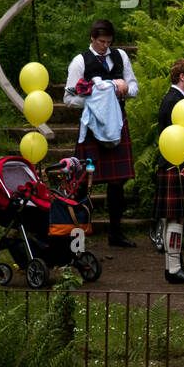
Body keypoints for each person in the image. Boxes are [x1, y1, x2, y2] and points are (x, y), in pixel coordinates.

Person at [65, 19, 139, 247]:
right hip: (92, 128)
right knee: (81, 182)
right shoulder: (80, 61)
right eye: (101, 42)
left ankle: (115, 233)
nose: (105, 46)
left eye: (108, 42)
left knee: (118, 183)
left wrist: (122, 89)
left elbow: (134, 87)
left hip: (117, 124)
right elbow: (68, 98)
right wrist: (97, 98)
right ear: (92, 39)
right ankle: (76, 235)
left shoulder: (120, 57)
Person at [153, 57, 184, 283]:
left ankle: (173, 265)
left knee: (174, 217)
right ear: (182, 77)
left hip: (174, 164)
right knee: (176, 218)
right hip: (176, 164)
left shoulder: (174, 99)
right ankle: (173, 269)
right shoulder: (175, 101)